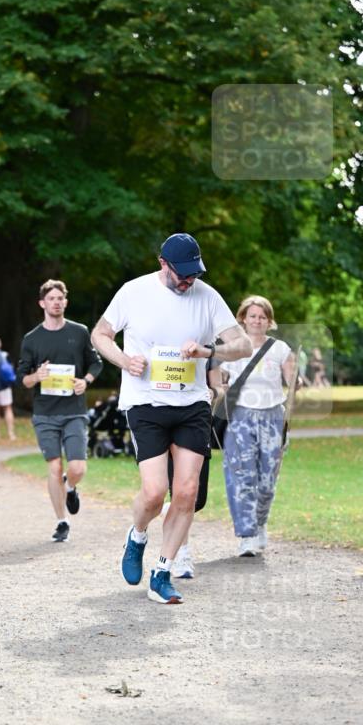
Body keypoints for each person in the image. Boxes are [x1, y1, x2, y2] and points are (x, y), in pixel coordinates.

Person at [91, 232, 250, 604]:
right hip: (145, 402)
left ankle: (162, 572)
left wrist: (207, 351)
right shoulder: (133, 292)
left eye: (194, 273)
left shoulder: (207, 297)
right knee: (153, 492)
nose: (189, 280)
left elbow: (242, 344)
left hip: (191, 403)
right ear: (163, 264)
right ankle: (138, 535)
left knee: (187, 492)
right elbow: (101, 335)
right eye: (183, 273)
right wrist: (124, 361)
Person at [212, 296, 298, 557]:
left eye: (262, 316)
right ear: (243, 319)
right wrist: (218, 386)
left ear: (269, 321)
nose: (257, 320)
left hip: (272, 416)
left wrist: (296, 379)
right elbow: (216, 371)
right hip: (240, 417)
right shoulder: (234, 347)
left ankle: (260, 522)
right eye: (252, 316)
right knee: (241, 477)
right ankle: (247, 535)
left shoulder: (280, 348)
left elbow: (292, 378)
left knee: (267, 481)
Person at [17, 279, 103, 542]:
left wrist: (84, 381)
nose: (56, 302)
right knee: (54, 467)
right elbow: (23, 379)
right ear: (42, 303)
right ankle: (62, 521)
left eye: (60, 298)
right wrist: (37, 375)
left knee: (77, 467)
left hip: (74, 410)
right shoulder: (32, 339)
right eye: (51, 298)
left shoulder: (79, 332)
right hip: (45, 413)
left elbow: (96, 363)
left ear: (65, 301)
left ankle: (70, 486)